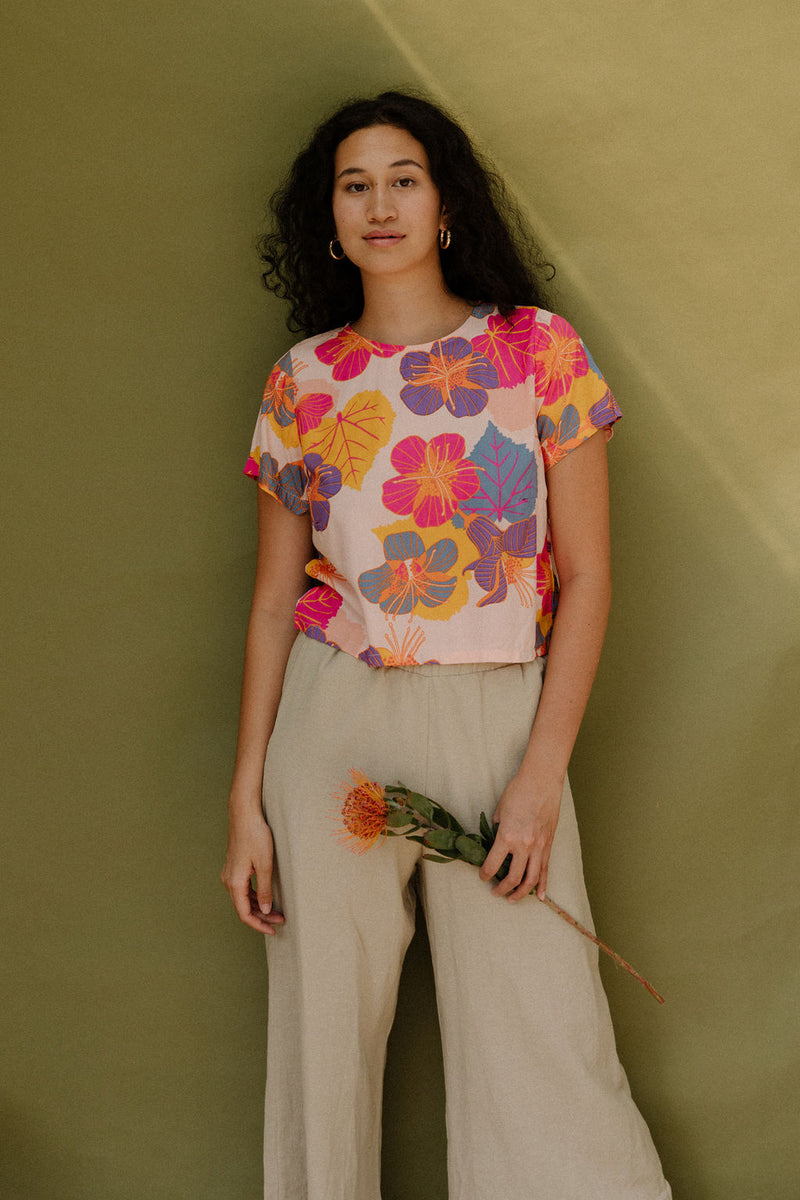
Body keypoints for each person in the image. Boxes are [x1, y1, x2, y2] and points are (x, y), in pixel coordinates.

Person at [222, 90, 671, 1200]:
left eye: (403, 178)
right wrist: (245, 802)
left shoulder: (535, 351)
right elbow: (276, 602)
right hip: (335, 722)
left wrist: (538, 777)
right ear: (327, 217)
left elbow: (585, 574)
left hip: (497, 716)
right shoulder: (302, 380)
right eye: (354, 183)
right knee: (321, 1049)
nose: (380, 204)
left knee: (542, 1035)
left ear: (445, 203)